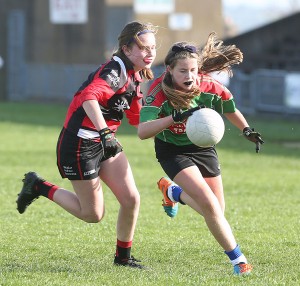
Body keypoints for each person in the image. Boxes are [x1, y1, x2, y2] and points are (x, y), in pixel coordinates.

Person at [16, 21, 158, 269]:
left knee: (131, 199)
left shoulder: (135, 77)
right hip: (79, 144)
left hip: (105, 142)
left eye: (153, 48)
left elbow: (139, 122)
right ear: (126, 49)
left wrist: (173, 117)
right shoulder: (115, 71)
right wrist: (104, 133)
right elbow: (88, 98)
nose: (150, 53)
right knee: (93, 215)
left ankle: (123, 259)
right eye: (144, 48)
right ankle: (38, 186)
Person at [138, 32, 264, 275]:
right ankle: (239, 261)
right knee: (209, 205)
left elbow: (230, 110)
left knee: (217, 209)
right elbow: (143, 132)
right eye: (183, 71)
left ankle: (173, 192)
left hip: (203, 147)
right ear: (170, 70)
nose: (190, 76)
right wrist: (173, 118)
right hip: (172, 150)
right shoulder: (157, 93)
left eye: (193, 70)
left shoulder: (209, 87)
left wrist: (246, 130)